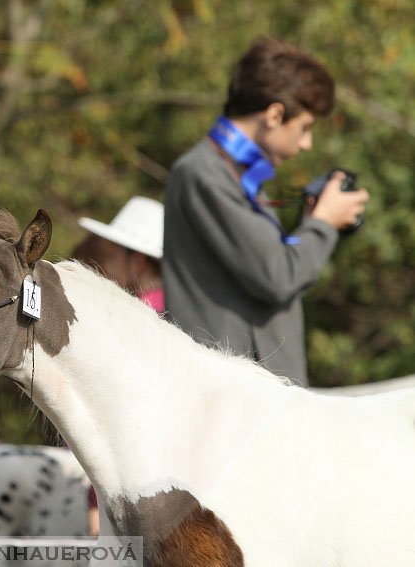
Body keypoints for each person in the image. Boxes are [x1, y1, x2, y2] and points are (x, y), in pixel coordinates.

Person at [163, 37, 369, 386]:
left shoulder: (239, 176)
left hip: (255, 399)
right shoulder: (203, 173)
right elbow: (278, 277)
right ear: (274, 114)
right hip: (230, 401)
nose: (307, 144)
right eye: (305, 128)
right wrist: (322, 224)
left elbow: (269, 269)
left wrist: (310, 223)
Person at [74, 196, 165, 536]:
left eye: (115, 255)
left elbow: (111, 419)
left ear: (138, 260)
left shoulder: (127, 320)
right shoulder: (178, 315)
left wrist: (96, 501)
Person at [75, 196, 164, 312]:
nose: (105, 265)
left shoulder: (135, 313)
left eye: (111, 257)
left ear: (137, 262)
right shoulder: (177, 309)